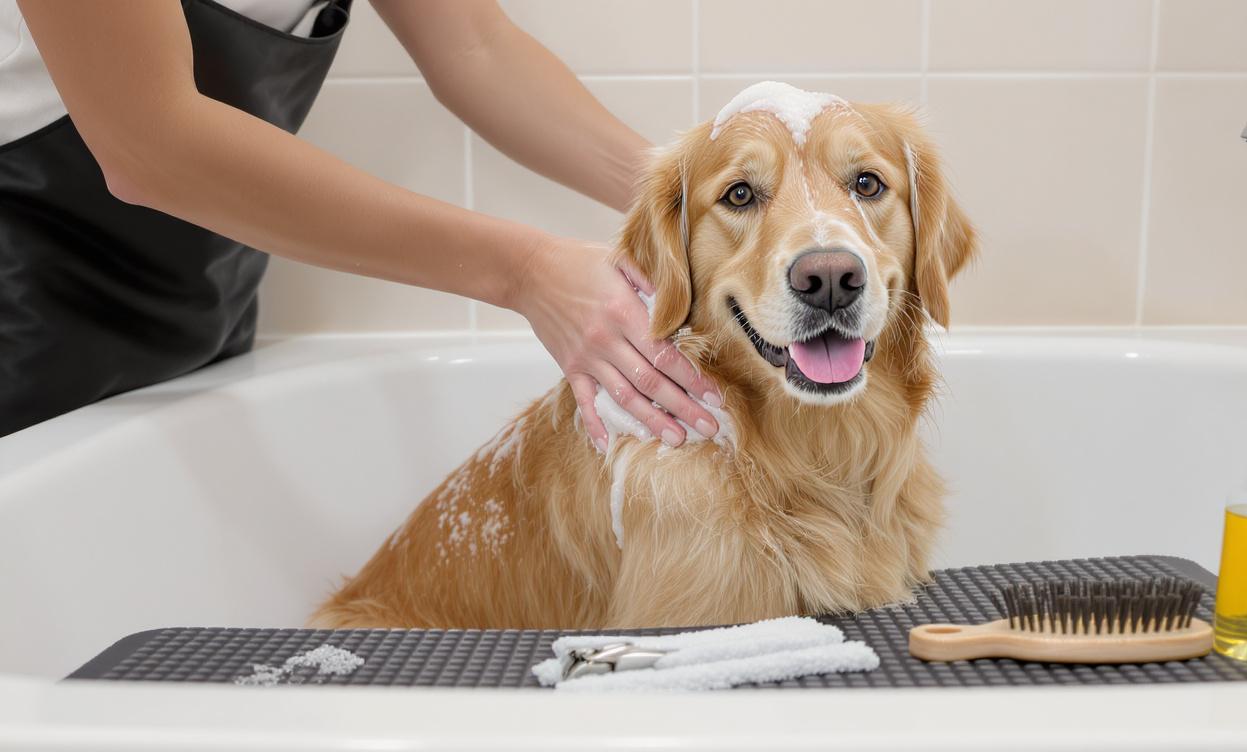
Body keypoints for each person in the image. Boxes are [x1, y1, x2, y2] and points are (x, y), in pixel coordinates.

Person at [0, 0, 720, 447]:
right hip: (21, 318)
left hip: (195, 320)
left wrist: (693, 204)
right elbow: (151, 147)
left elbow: (476, 48)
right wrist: (526, 272)